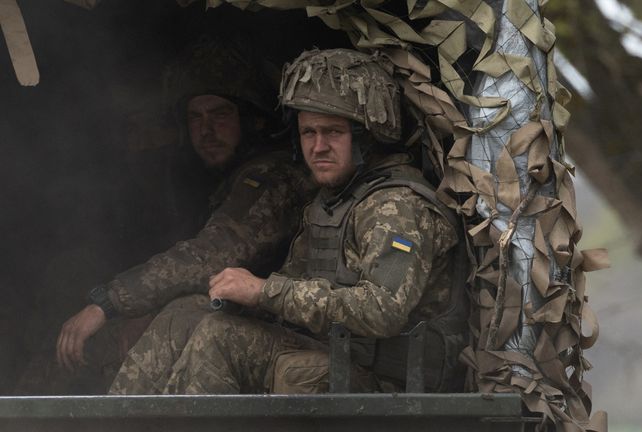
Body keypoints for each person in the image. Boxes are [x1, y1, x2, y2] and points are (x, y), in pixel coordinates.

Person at [110, 48, 468, 395]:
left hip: (389, 384)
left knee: (220, 338)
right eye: (309, 133)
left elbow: (382, 310)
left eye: (333, 132)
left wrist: (263, 291)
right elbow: (296, 291)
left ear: (365, 137)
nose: (318, 147)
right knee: (184, 314)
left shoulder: (396, 205)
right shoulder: (330, 202)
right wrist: (245, 300)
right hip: (337, 357)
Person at [48, 35, 315, 393]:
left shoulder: (272, 177)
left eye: (220, 115)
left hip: (281, 336)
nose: (206, 131)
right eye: (195, 118)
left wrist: (109, 302)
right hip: (245, 328)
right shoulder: (224, 179)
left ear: (254, 121)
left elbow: (213, 254)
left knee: (172, 319)